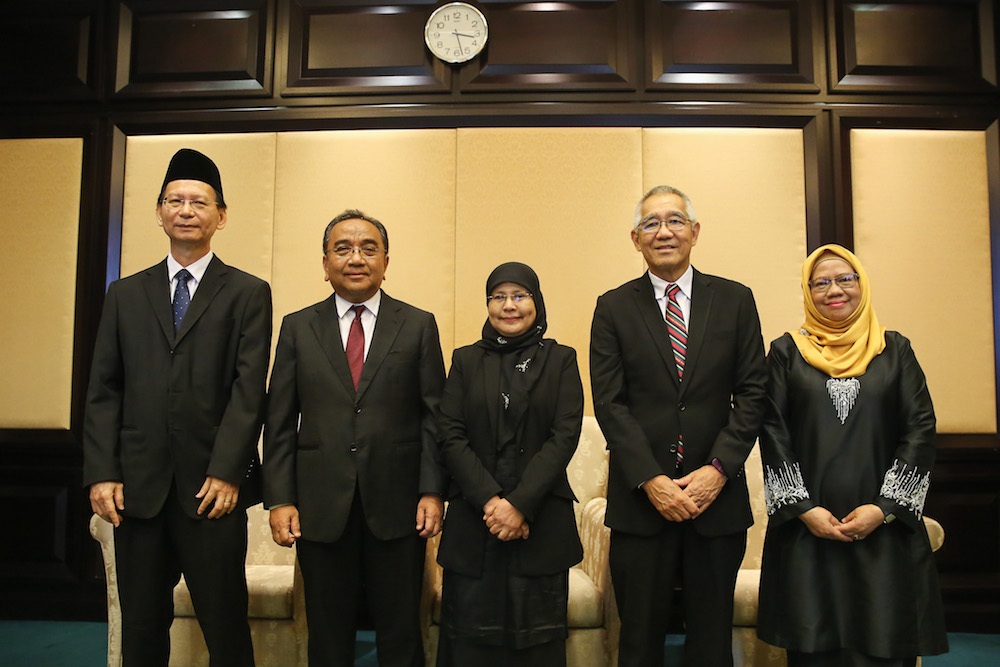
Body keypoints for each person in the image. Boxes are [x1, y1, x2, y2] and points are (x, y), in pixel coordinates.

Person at [84, 148, 272, 666]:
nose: (186, 209)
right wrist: (102, 473)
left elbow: (248, 389)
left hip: (212, 492)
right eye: (176, 200)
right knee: (141, 626)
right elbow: (104, 388)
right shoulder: (124, 294)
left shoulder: (248, 293)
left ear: (222, 215)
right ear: (160, 211)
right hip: (137, 492)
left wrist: (229, 471)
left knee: (225, 624)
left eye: (199, 201)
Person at [590, 185, 768, 666]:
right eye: (651, 223)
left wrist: (717, 470)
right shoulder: (613, 307)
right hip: (642, 502)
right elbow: (610, 404)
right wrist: (651, 479)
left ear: (694, 232)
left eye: (674, 220)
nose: (663, 231)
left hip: (718, 500)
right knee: (639, 637)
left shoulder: (735, 300)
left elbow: (753, 393)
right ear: (635, 238)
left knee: (711, 638)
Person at [263, 209, 446, 667]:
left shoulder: (418, 324)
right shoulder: (297, 327)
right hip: (321, 504)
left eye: (369, 248)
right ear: (325, 264)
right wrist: (280, 499)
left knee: (403, 632)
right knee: (327, 634)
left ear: (386, 261)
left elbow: (434, 417)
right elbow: (280, 420)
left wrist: (432, 490)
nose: (356, 258)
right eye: (342, 249)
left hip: (399, 502)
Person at [757, 244, 948, 666]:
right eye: (821, 282)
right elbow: (772, 432)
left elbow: (919, 430)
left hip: (884, 533)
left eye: (846, 279)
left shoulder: (895, 350)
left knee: (883, 641)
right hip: (809, 533)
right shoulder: (786, 353)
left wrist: (883, 509)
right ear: (808, 292)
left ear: (861, 283)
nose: (834, 290)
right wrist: (805, 509)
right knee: (813, 646)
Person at [435, 262, 584, 666]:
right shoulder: (465, 360)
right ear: (487, 305)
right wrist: (490, 500)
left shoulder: (561, 359)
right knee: (468, 643)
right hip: (474, 521)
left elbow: (564, 435)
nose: (509, 306)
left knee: (536, 644)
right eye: (498, 297)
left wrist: (518, 504)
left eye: (520, 295)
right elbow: (450, 434)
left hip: (540, 524)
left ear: (536, 301)